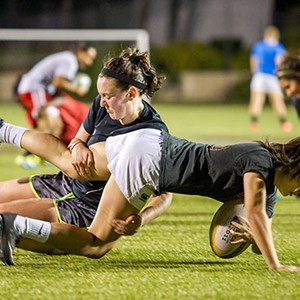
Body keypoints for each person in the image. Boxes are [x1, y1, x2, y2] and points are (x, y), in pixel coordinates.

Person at [0, 120, 300, 271]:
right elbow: (257, 214)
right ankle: (17, 225)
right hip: (152, 161)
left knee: (70, 162)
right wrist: (275, 265)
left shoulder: (266, 189)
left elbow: (256, 234)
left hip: (147, 147)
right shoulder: (259, 160)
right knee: (95, 244)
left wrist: (254, 243)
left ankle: (4, 129)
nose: (297, 194)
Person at [0, 47, 172, 255]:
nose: (101, 101)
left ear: (131, 93)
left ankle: (4, 131)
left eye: (107, 95)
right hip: (64, 182)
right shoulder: (103, 105)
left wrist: (142, 219)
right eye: (100, 95)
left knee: (3, 219)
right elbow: (77, 139)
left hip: (86, 208)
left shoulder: (152, 135)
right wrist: (78, 145)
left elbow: (165, 195)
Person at [15, 42, 97, 168]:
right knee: (49, 122)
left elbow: (55, 86)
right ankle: (27, 156)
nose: (89, 62)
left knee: (57, 123)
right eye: (89, 57)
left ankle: (42, 156)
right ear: (80, 53)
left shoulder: (67, 59)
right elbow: (58, 82)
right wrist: (77, 90)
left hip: (39, 90)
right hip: (34, 89)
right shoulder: (70, 61)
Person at [15, 95, 90, 169]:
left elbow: (63, 100)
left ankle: (33, 156)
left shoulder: (75, 111)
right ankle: (31, 156)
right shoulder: (36, 114)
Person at [248, 25, 292, 132]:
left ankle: (254, 123)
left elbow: (254, 61)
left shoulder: (258, 46)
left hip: (259, 75)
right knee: (277, 100)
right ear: (276, 36)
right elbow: (279, 61)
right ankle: (284, 123)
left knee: (257, 100)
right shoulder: (278, 47)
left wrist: (254, 73)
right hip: (272, 76)